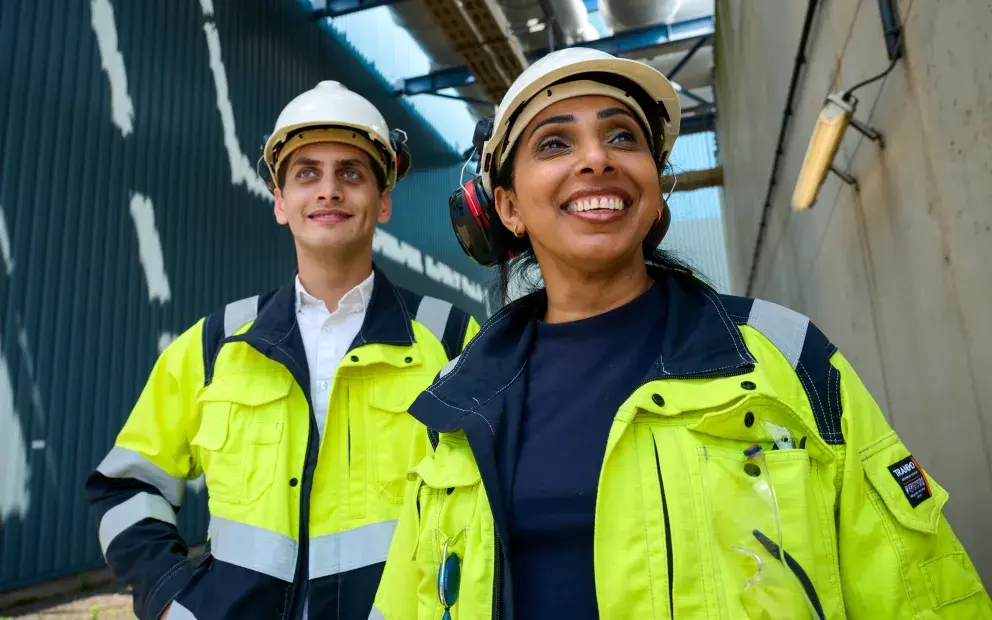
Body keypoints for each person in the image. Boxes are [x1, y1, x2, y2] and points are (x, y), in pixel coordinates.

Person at [371, 48, 992, 620]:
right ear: (505, 208)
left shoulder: (785, 358)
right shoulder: (459, 400)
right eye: (555, 143)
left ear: (654, 185)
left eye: (622, 136)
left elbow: (921, 593)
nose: (597, 158)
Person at [84, 81, 480, 620]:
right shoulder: (214, 345)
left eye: (352, 173)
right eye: (306, 174)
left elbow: (491, 511)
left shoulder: (454, 338)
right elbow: (126, 486)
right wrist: (169, 598)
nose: (329, 190)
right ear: (280, 201)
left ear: (383, 200)